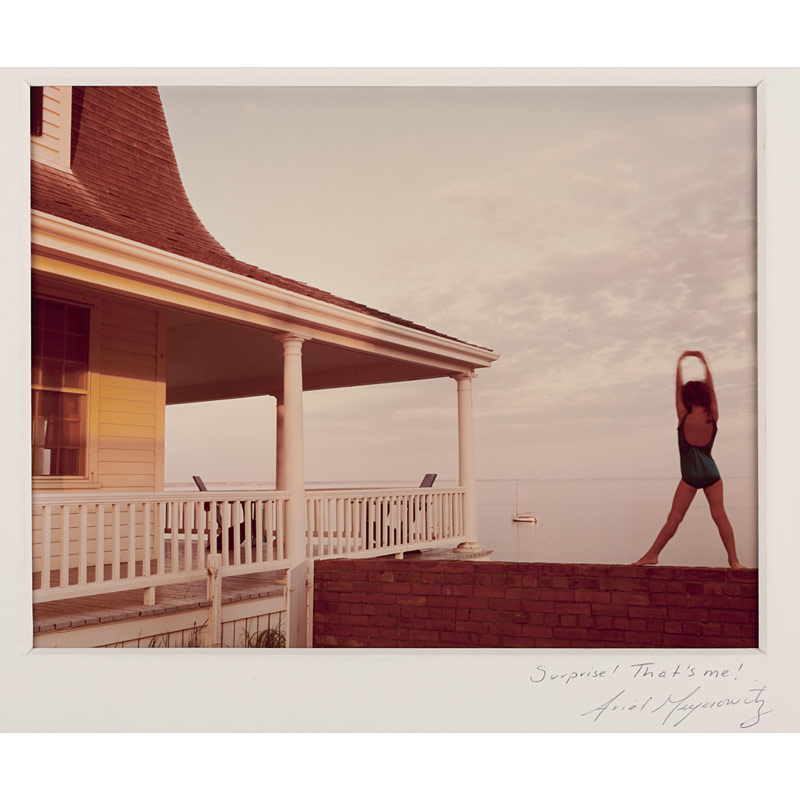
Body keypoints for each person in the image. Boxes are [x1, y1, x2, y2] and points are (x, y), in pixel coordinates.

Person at [633, 350, 744, 569]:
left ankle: (652, 554)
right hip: (712, 473)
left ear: (686, 397)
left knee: (674, 518)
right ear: (705, 396)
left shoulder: (683, 415)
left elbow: (677, 389)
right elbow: (712, 390)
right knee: (720, 517)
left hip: (690, 476)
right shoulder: (712, 415)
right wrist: (704, 363)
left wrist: (680, 363)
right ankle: (734, 561)